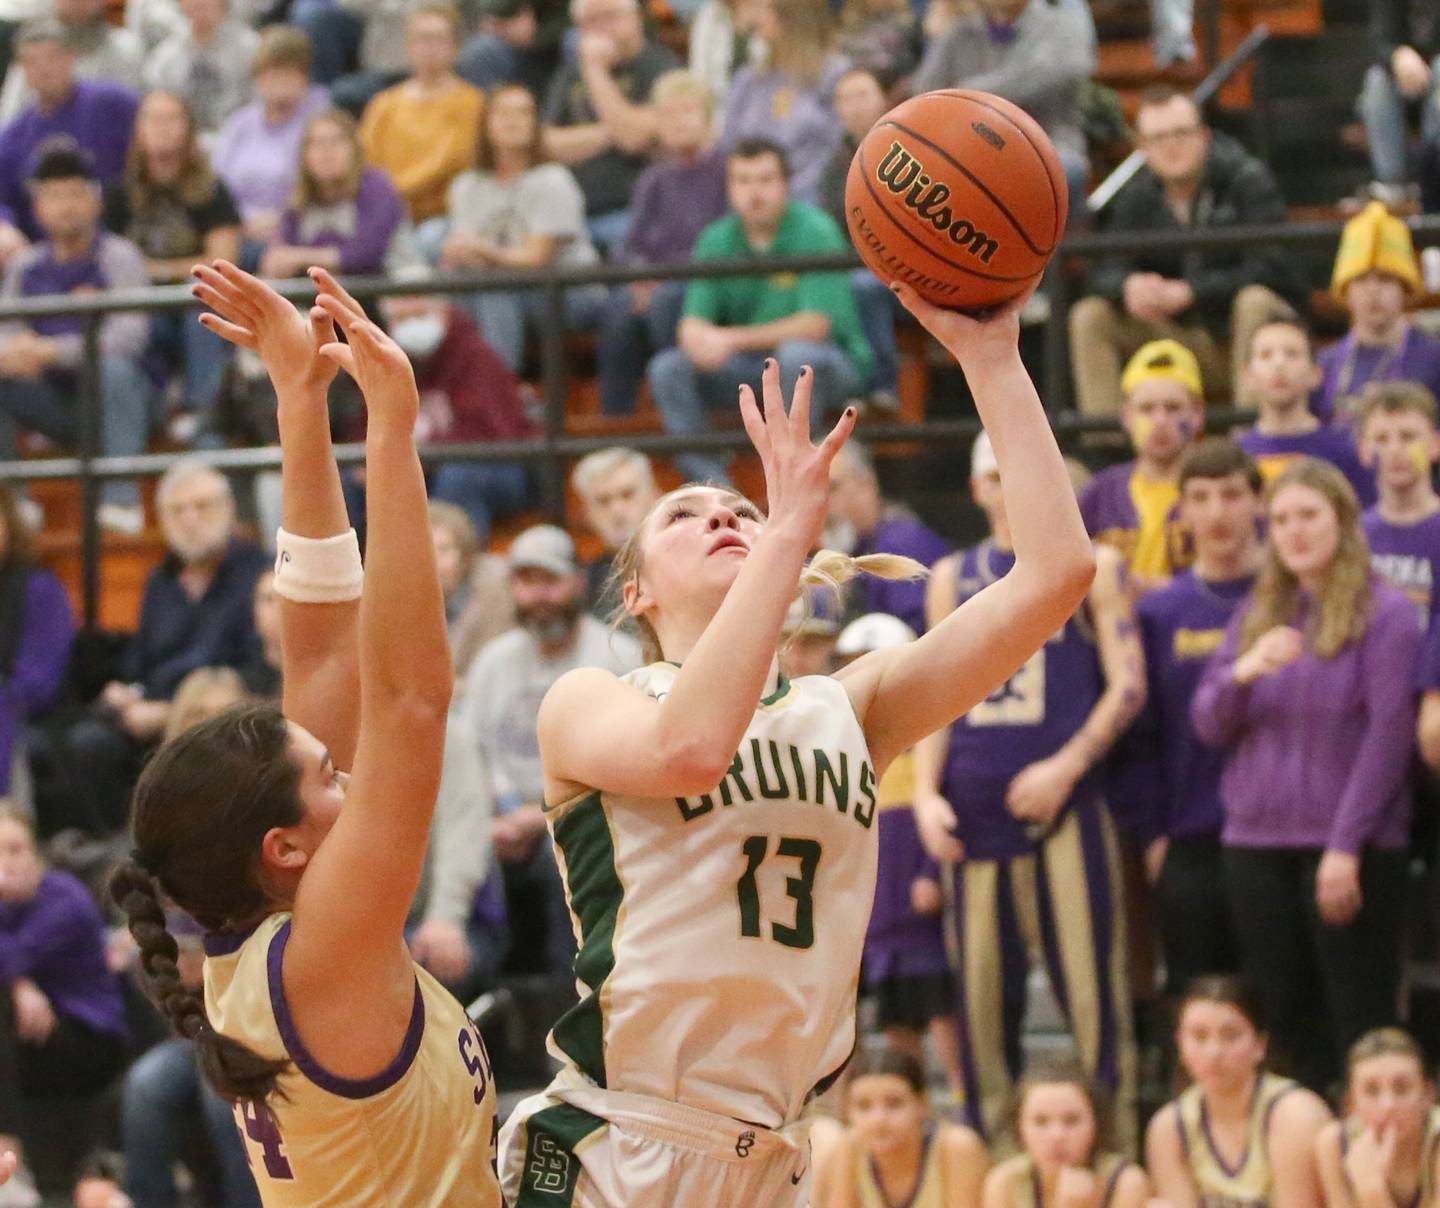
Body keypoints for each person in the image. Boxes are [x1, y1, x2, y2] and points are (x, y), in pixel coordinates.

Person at [496, 274, 1097, 1204]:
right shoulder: (589, 702)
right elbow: (689, 750)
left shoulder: (851, 708)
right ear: (638, 593)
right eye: (684, 516)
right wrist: (784, 538)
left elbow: (1057, 573)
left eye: (736, 509)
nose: (724, 518)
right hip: (623, 1145)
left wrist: (992, 358)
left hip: (779, 1157)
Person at [112, 260, 502, 1204]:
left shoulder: (272, 938)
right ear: (283, 847)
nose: (352, 776)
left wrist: (300, 400)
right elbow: (409, 696)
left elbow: (325, 653)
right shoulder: (324, 950)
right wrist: (394, 437)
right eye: (332, 776)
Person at [915, 432, 1145, 1144]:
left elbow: (1129, 687)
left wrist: (1067, 766)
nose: (1008, 488)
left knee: (1092, 994)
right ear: (979, 487)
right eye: (995, 475)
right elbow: (933, 696)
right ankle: (995, 1160)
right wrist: (924, 793)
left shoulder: (1095, 566)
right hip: (972, 811)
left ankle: (1114, 1152)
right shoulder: (951, 577)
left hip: (1069, 805)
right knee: (981, 999)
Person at [1192, 459, 1422, 1091]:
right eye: (1283, 518)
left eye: (1309, 516)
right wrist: (1244, 671)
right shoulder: (1261, 609)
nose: (1294, 531)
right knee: (1284, 1021)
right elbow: (1208, 723)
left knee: (1357, 1016)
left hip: (1348, 849)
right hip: (1254, 845)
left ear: (1343, 522)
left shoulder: (1388, 612)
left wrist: (1345, 847)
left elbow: (1388, 736)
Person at [459, 524, 642, 978]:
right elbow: (471, 753)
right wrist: (496, 815)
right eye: (526, 581)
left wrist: (541, 817)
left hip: (587, 819)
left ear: (577, 582)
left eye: (549, 580)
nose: (538, 594)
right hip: (498, 820)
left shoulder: (621, 655)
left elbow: (629, 764)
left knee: (564, 856)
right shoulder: (493, 661)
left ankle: (572, 1004)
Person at [57, 459, 268, 834]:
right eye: (177, 510)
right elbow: (143, 656)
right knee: (85, 741)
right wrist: (128, 692)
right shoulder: (161, 579)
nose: (190, 518)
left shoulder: (258, 573)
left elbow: (259, 665)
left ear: (228, 509)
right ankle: (121, 847)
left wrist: (174, 710)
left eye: (201, 506)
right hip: (152, 709)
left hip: (222, 710)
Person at [648, 138, 873, 485]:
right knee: (667, 368)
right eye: (743, 181)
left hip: (829, 362)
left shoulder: (816, 230)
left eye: (765, 180)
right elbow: (691, 324)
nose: (754, 192)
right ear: (730, 188)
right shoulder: (715, 238)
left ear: (786, 184)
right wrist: (697, 338)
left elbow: (815, 326)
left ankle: (789, 477)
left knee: (797, 357)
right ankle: (713, 484)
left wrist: (727, 338)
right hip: (750, 368)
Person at [1069, 86, 1299, 417]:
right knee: (1090, 315)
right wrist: (1128, 288)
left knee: (1255, 301)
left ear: (1204, 137)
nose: (1171, 145)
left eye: (1180, 133)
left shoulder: (1246, 181)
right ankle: (1107, 452)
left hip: (1237, 335)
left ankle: (1254, 439)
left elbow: (1275, 266)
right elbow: (1102, 268)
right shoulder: (1137, 197)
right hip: (1174, 335)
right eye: (1158, 138)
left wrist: (1193, 292)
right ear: (1143, 149)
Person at [1131, 439, 1263, 995]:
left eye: (1232, 495)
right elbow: (1142, 735)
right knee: (1200, 999)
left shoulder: (1292, 599)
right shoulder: (1160, 612)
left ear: (1258, 502)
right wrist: (1154, 833)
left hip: (1281, 834)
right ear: (1180, 509)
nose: (1218, 512)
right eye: (1202, 497)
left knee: (1283, 995)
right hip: (1190, 835)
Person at [836, 612, 963, 1103]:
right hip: (875, 910)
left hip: (917, 906)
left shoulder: (928, 743)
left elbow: (944, 813)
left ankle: (957, 1090)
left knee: (936, 1003)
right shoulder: (848, 746)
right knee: (893, 1015)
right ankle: (908, 1098)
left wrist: (931, 873)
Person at [0, 138, 151, 531]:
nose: (66, 205)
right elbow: (7, 329)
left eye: (75, 193)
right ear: (38, 208)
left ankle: (120, 499)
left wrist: (51, 351)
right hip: (56, 402)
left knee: (116, 370)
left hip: (123, 403)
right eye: (54, 195)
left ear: (97, 202)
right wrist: (13, 353)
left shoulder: (121, 258)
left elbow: (129, 338)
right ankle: (13, 505)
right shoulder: (24, 267)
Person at [0, 808, 129, 1194]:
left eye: (15, 849)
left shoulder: (66, 897)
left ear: (35, 854)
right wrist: (20, 985)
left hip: (90, 1041)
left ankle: (7, 1140)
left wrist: (14, 981)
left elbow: (14, 955)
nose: (6, 861)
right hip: (28, 1038)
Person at [341, 288, 535, 545]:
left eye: (420, 314)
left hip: (493, 468)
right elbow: (368, 426)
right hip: (414, 467)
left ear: (443, 313)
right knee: (348, 478)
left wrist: (418, 460)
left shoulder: (477, 356)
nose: (412, 326)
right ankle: (357, 573)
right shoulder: (385, 363)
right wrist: (372, 462)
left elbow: (491, 436)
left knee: (458, 473)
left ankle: (452, 568)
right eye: (402, 319)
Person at [106, 89, 240, 447]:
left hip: (193, 300)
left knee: (203, 309)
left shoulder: (212, 191)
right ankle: (148, 412)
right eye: (152, 118)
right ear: (138, 130)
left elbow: (222, 262)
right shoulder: (119, 194)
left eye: (172, 118)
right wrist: (175, 267)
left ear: (188, 129)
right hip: (140, 309)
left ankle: (202, 413)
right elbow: (106, 260)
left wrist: (150, 268)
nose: (162, 128)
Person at [442, 84, 603, 374]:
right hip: (499, 286)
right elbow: (463, 255)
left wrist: (481, 250)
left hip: (568, 291)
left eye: (523, 113)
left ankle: (500, 401)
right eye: (503, 113)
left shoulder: (552, 180)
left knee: (493, 290)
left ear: (535, 125)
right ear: (485, 126)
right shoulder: (467, 185)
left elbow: (536, 258)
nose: (513, 120)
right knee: (445, 291)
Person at [597, 69, 728, 419]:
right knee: (617, 309)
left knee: (668, 301)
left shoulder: (729, 170)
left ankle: (687, 401)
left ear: (708, 116)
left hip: (705, 285)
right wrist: (640, 278)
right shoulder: (654, 178)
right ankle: (616, 422)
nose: (677, 122)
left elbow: (724, 240)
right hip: (654, 284)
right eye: (667, 114)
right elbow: (629, 246)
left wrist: (662, 280)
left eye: (686, 111)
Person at [1146, 976, 1331, 1208]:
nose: (1214, 1052)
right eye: (1199, 1036)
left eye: (1231, 1035)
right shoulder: (1169, 1127)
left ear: (1260, 1045)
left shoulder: (1295, 1114)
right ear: (1180, 1046)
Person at [911, 0, 1094, 205]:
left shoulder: (1061, 23)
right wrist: (934, 37)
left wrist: (962, 95)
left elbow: (1052, 73)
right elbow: (923, 93)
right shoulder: (960, 30)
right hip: (965, 148)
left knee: (1030, 178)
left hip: (1047, 147)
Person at [540, 0, 678, 250]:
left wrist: (595, 70)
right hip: (574, 214)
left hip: (635, 210)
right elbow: (547, 144)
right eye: (591, 21)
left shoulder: (661, 67)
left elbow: (634, 140)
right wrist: (616, 128)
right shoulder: (569, 74)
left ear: (636, 18)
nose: (602, 28)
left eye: (610, 17)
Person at [1078, 340, 1204, 595]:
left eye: (1173, 408)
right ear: (1127, 416)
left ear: (1197, 414)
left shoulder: (1219, 490)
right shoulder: (1099, 493)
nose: (1159, 421)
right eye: (1147, 409)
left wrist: (1155, 592)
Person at [0, 19, 139, 246]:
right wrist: (4, 226)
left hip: (120, 237)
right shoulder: (14, 135)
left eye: (52, 57)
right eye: (33, 61)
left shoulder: (113, 104)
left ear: (71, 58)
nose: (44, 68)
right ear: (22, 70)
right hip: (44, 255)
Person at [358, 4, 483, 234]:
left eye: (438, 39)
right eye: (422, 39)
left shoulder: (473, 103)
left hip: (447, 218)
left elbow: (455, 161)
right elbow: (367, 168)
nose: (430, 48)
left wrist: (395, 193)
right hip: (389, 216)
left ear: (455, 46)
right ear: (409, 46)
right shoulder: (383, 105)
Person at [818, 67, 901, 413]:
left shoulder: (910, 147)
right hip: (855, 263)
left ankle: (883, 385)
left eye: (862, 95)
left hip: (907, 261)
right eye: (846, 99)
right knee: (833, 286)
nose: (855, 107)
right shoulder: (833, 168)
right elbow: (832, 230)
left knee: (863, 286)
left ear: (882, 99)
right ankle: (848, 386)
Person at [816, 1046, 989, 1208]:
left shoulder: (956, 1147)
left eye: (894, 1103)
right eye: (864, 1106)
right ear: (847, 1110)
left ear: (923, 1103)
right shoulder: (849, 1147)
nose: (878, 1120)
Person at [1317, 203, 1440, 424]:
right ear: (1346, 291)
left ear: (1405, 289)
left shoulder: (1435, 359)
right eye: (1361, 279)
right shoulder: (1325, 365)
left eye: (1385, 279)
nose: (1373, 291)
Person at [211, 27, 329, 253]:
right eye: (271, 73)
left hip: (300, 233)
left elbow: (323, 185)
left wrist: (281, 220)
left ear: (304, 76)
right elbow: (217, 186)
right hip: (238, 231)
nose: (279, 82)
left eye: (288, 73)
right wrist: (239, 222)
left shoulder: (321, 120)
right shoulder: (239, 124)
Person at [720, 0, 849, 205]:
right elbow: (728, 145)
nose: (754, 15)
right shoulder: (748, 80)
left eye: (764, 7)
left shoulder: (834, 74)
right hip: (751, 206)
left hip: (815, 203)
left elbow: (839, 147)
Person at [1238, 317, 1376, 507]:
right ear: (1248, 376)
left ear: (1316, 374)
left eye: (1292, 354)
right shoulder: (1237, 455)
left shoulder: (1347, 451)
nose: (1279, 364)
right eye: (1266, 355)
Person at [260, 108, 409, 281]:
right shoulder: (297, 195)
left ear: (354, 148)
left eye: (336, 141)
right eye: (316, 143)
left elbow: (366, 255)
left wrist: (298, 257)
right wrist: (276, 262)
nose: (326, 151)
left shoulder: (377, 187)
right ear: (304, 154)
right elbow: (282, 250)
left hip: (388, 287)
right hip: (317, 294)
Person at [983, 1063, 1149, 1208]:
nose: (1057, 1135)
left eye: (1072, 1121)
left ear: (1097, 1124)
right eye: (1041, 1122)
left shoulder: (1125, 1181)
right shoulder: (1005, 1182)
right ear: (1019, 1128)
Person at [827, 441, 949, 635]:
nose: (823, 501)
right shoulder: (848, 548)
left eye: (831, 488)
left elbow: (915, 637)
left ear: (867, 483)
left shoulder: (903, 542)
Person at [1315, 1028, 1440, 1208]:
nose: (1388, 1105)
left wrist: (1371, 1188)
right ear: (1350, 1103)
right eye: (1372, 1091)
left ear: (1428, 1095)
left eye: (1402, 1088)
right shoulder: (1334, 1144)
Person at [1357, 382, 1440, 633]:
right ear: (1364, 450)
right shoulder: (1354, 534)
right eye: (1382, 439)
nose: (1395, 449)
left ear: (1435, 445)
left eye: (1408, 436)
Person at [0, 0, 143, 128]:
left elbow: (136, 119)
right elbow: (8, 122)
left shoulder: (126, 50)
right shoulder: (35, 51)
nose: (77, 2)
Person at [1358, 2, 1440, 200]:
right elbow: (1379, 41)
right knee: (1376, 81)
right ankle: (1392, 184)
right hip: (1404, 80)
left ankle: (1433, 176)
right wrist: (1398, 55)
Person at [140, 0, 257, 138]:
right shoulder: (165, 58)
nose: (200, 3)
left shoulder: (250, 50)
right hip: (183, 146)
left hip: (238, 139)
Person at [431, 502, 514, 685]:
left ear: (464, 556)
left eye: (444, 549)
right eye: (425, 549)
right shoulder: (399, 599)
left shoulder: (496, 592)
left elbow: (491, 678)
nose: (433, 561)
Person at [570, 446, 660, 615]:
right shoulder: (583, 584)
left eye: (628, 494)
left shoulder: (687, 561)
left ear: (655, 496)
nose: (617, 510)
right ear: (586, 514)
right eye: (603, 501)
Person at [834, 0, 916, 90]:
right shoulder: (847, 30)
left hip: (898, 93)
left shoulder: (906, 26)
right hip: (858, 89)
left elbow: (912, 69)